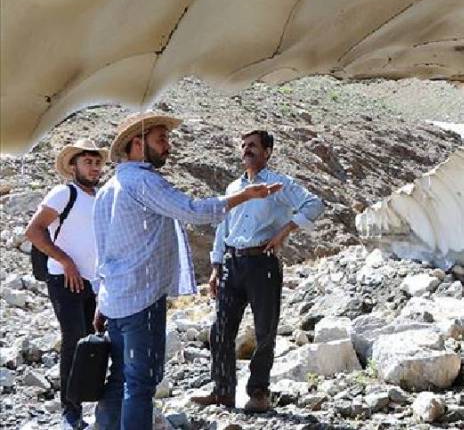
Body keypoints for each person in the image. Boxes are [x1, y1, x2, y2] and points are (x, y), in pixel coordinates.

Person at [92, 111, 281, 430]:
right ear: (137, 144)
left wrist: (101, 298)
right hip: (141, 299)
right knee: (140, 384)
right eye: (161, 140)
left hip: (116, 299)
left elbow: (103, 251)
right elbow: (192, 210)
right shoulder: (144, 182)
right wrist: (244, 196)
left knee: (120, 379)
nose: (168, 146)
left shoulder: (110, 186)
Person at [192, 130, 324, 412]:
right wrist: (216, 267)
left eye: (252, 145)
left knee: (265, 330)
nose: (246, 150)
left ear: (267, 151)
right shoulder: (233, 189)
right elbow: (223, 228)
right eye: (243, 145)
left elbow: (314, 204)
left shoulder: (280, 183)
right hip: (233, 263)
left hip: (262, 264)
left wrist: (286, 231)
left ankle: (259, 392)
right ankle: (223, 391)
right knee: (220, 330)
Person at [24, 138, 108, 429]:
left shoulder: (100, 197)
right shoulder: (64, 192)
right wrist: (66, 261)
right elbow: (33, 231)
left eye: (97, 162)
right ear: (74, 165)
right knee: (74, 337)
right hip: (63, 277)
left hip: (92, 281)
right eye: (88, 162)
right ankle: (70, 410)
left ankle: (87, 401)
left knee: (91, 340)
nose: (94, 167)